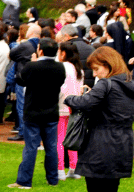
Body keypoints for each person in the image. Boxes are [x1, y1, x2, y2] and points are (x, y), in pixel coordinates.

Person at [65, 46, 134, 192]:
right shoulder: (128, 83)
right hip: (123, 143)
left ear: (108, 65)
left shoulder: (106, 83)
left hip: (101, 144)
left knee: (96, 187)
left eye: (96, 69)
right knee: (111, 187)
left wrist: (70, 98)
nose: (94, 74)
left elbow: (85, 103)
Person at [9, 38, 66, 189]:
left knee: (31, 148)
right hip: (51, 112)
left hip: (33, 112)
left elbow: (21, 80)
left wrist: (33, 62)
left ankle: (25, 181)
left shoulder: (32, 66)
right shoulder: (60, 67)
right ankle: (53, 179)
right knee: (51, 147)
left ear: (40, 50)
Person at [56, 42, 84, 180]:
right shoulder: (79, 69)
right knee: (72, 138)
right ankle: (74, 168)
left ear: (63, 53)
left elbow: (61, 89)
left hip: (62, 107)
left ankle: (60, 169)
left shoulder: (62, 67)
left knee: (60, 139)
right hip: (74, 107)